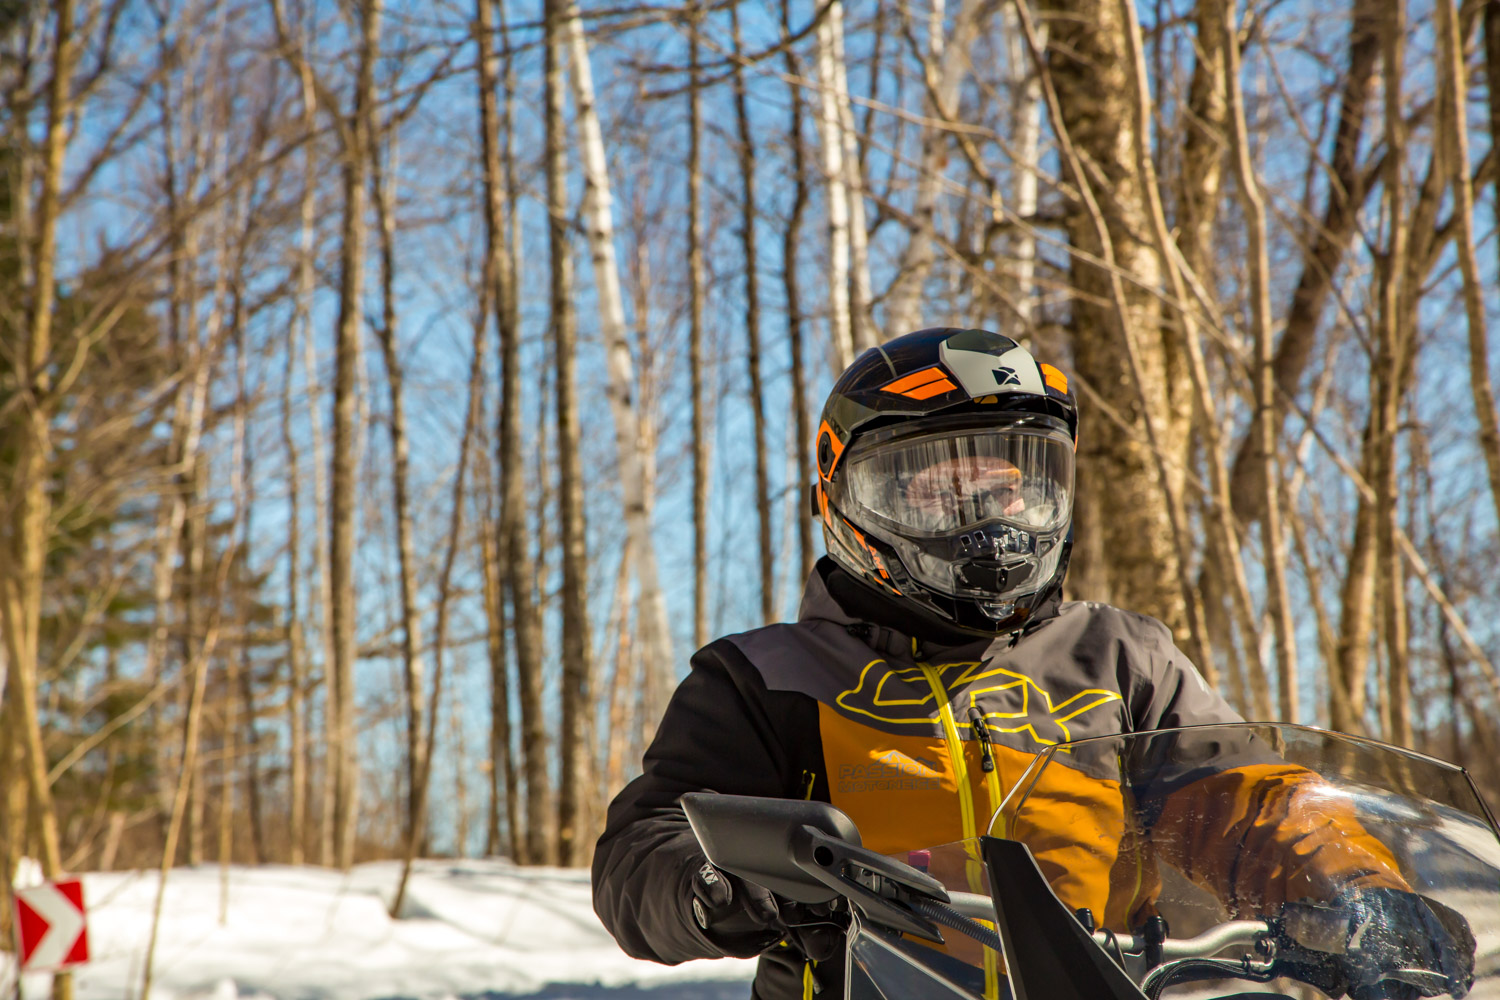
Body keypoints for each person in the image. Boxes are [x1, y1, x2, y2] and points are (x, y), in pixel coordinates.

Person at [590, 328, 1472, 1000]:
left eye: (1009, 484)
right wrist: (725, 884)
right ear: (848, 498)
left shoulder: (1121, 656)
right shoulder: (765, 676)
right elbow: (640, 856)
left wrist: (1358, 890)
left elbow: (1244, 800)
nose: (987, 521)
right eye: (934, 488)